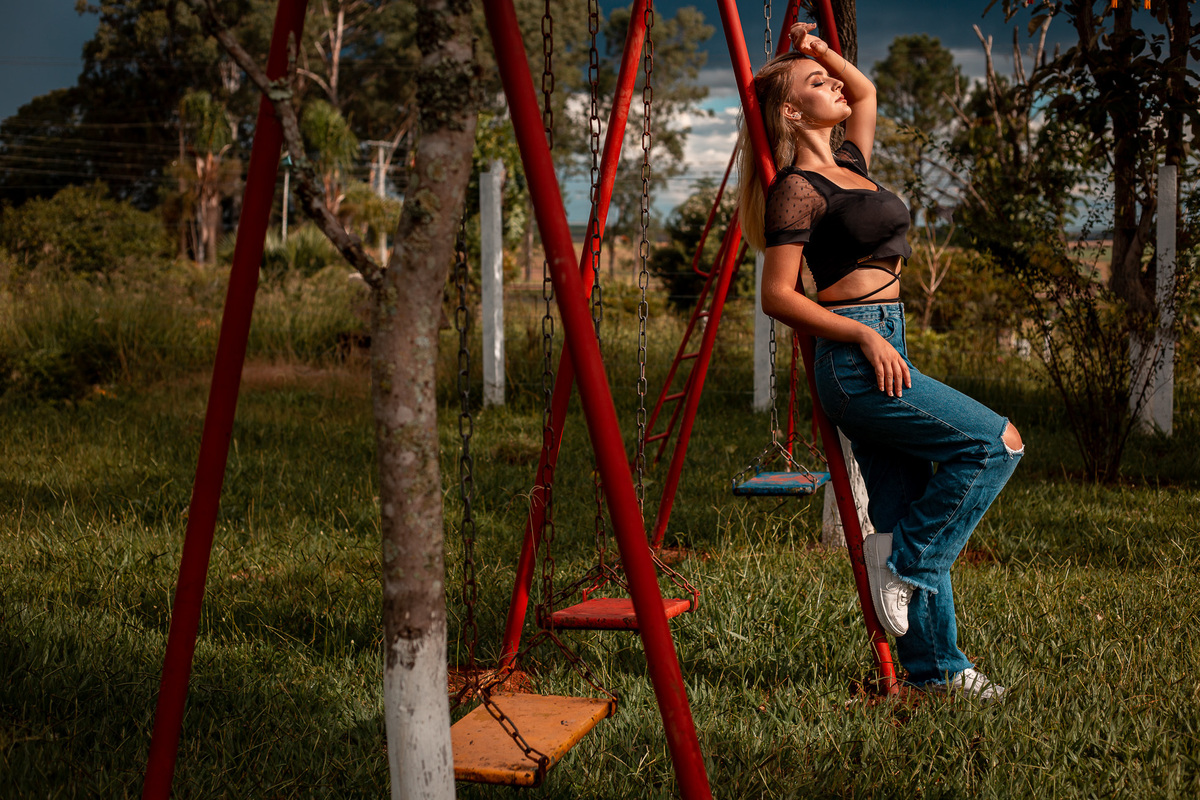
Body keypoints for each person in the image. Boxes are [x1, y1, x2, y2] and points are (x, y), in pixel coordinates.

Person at [738, 22, 1024, 700]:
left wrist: (818, 52)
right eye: (817, 84)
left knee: (902, 511)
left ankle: (935, 672)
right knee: (996, 444)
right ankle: (912, 565)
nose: (836, 86)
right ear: (790, 112)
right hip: (855, 357)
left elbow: (864, 91)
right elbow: (777, 295)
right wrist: (863, 338)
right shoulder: (797, 188)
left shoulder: (851, 164)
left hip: (890, 341)